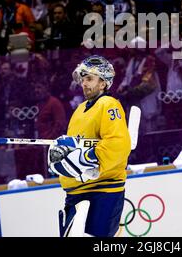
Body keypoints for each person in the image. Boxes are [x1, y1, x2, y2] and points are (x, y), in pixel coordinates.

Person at [48, 55, 131, 237]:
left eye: (90, 79)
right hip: (75, 191)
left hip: (102, 190)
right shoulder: (79, 109)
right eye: (83, 79)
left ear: (103, 83)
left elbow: (118, 143)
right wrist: (62, 158)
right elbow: (76, 146)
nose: (84, 83)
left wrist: (87, 158)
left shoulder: (109, 104)